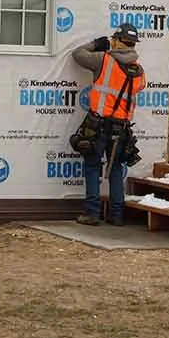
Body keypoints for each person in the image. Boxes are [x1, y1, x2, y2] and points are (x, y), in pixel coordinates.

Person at [70, 22, 146, 226]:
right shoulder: (139, 71)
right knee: (116, 169)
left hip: (98, 125)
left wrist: (97, 44)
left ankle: (92, 213)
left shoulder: (103, 60)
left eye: (114, 39)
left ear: (118, 42)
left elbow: (77, 54)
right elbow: (139, 88)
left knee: (92, 166)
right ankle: (117, 215)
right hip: (121, 129)